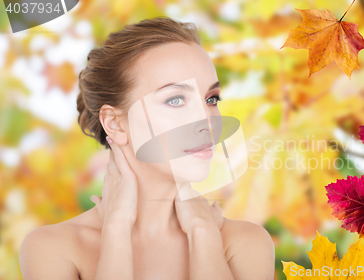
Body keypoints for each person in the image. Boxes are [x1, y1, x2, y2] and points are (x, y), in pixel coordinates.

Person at [19, 17, 275, 280]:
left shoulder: (244, 242)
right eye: (176, 100)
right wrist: (116, 230)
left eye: (211, 99)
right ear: (115, 123)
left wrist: (203, 234)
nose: (208, 122)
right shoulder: (53, 248)